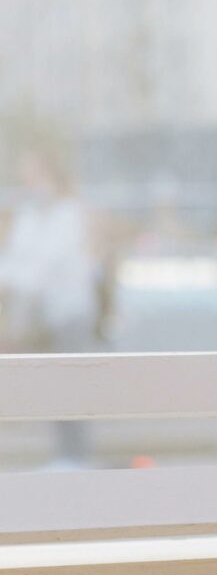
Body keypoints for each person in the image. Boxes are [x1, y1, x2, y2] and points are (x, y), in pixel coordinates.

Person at [1, 149, 105, 468]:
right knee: (54, 387)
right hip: (45, 317)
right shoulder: (31, 215)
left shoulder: (68, 214)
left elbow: (46, 266)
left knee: (72, 386)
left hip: (71, 313)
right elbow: (17, 260)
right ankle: (64, 456)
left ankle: (76, 457)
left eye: (34, 174)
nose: (29, 182)